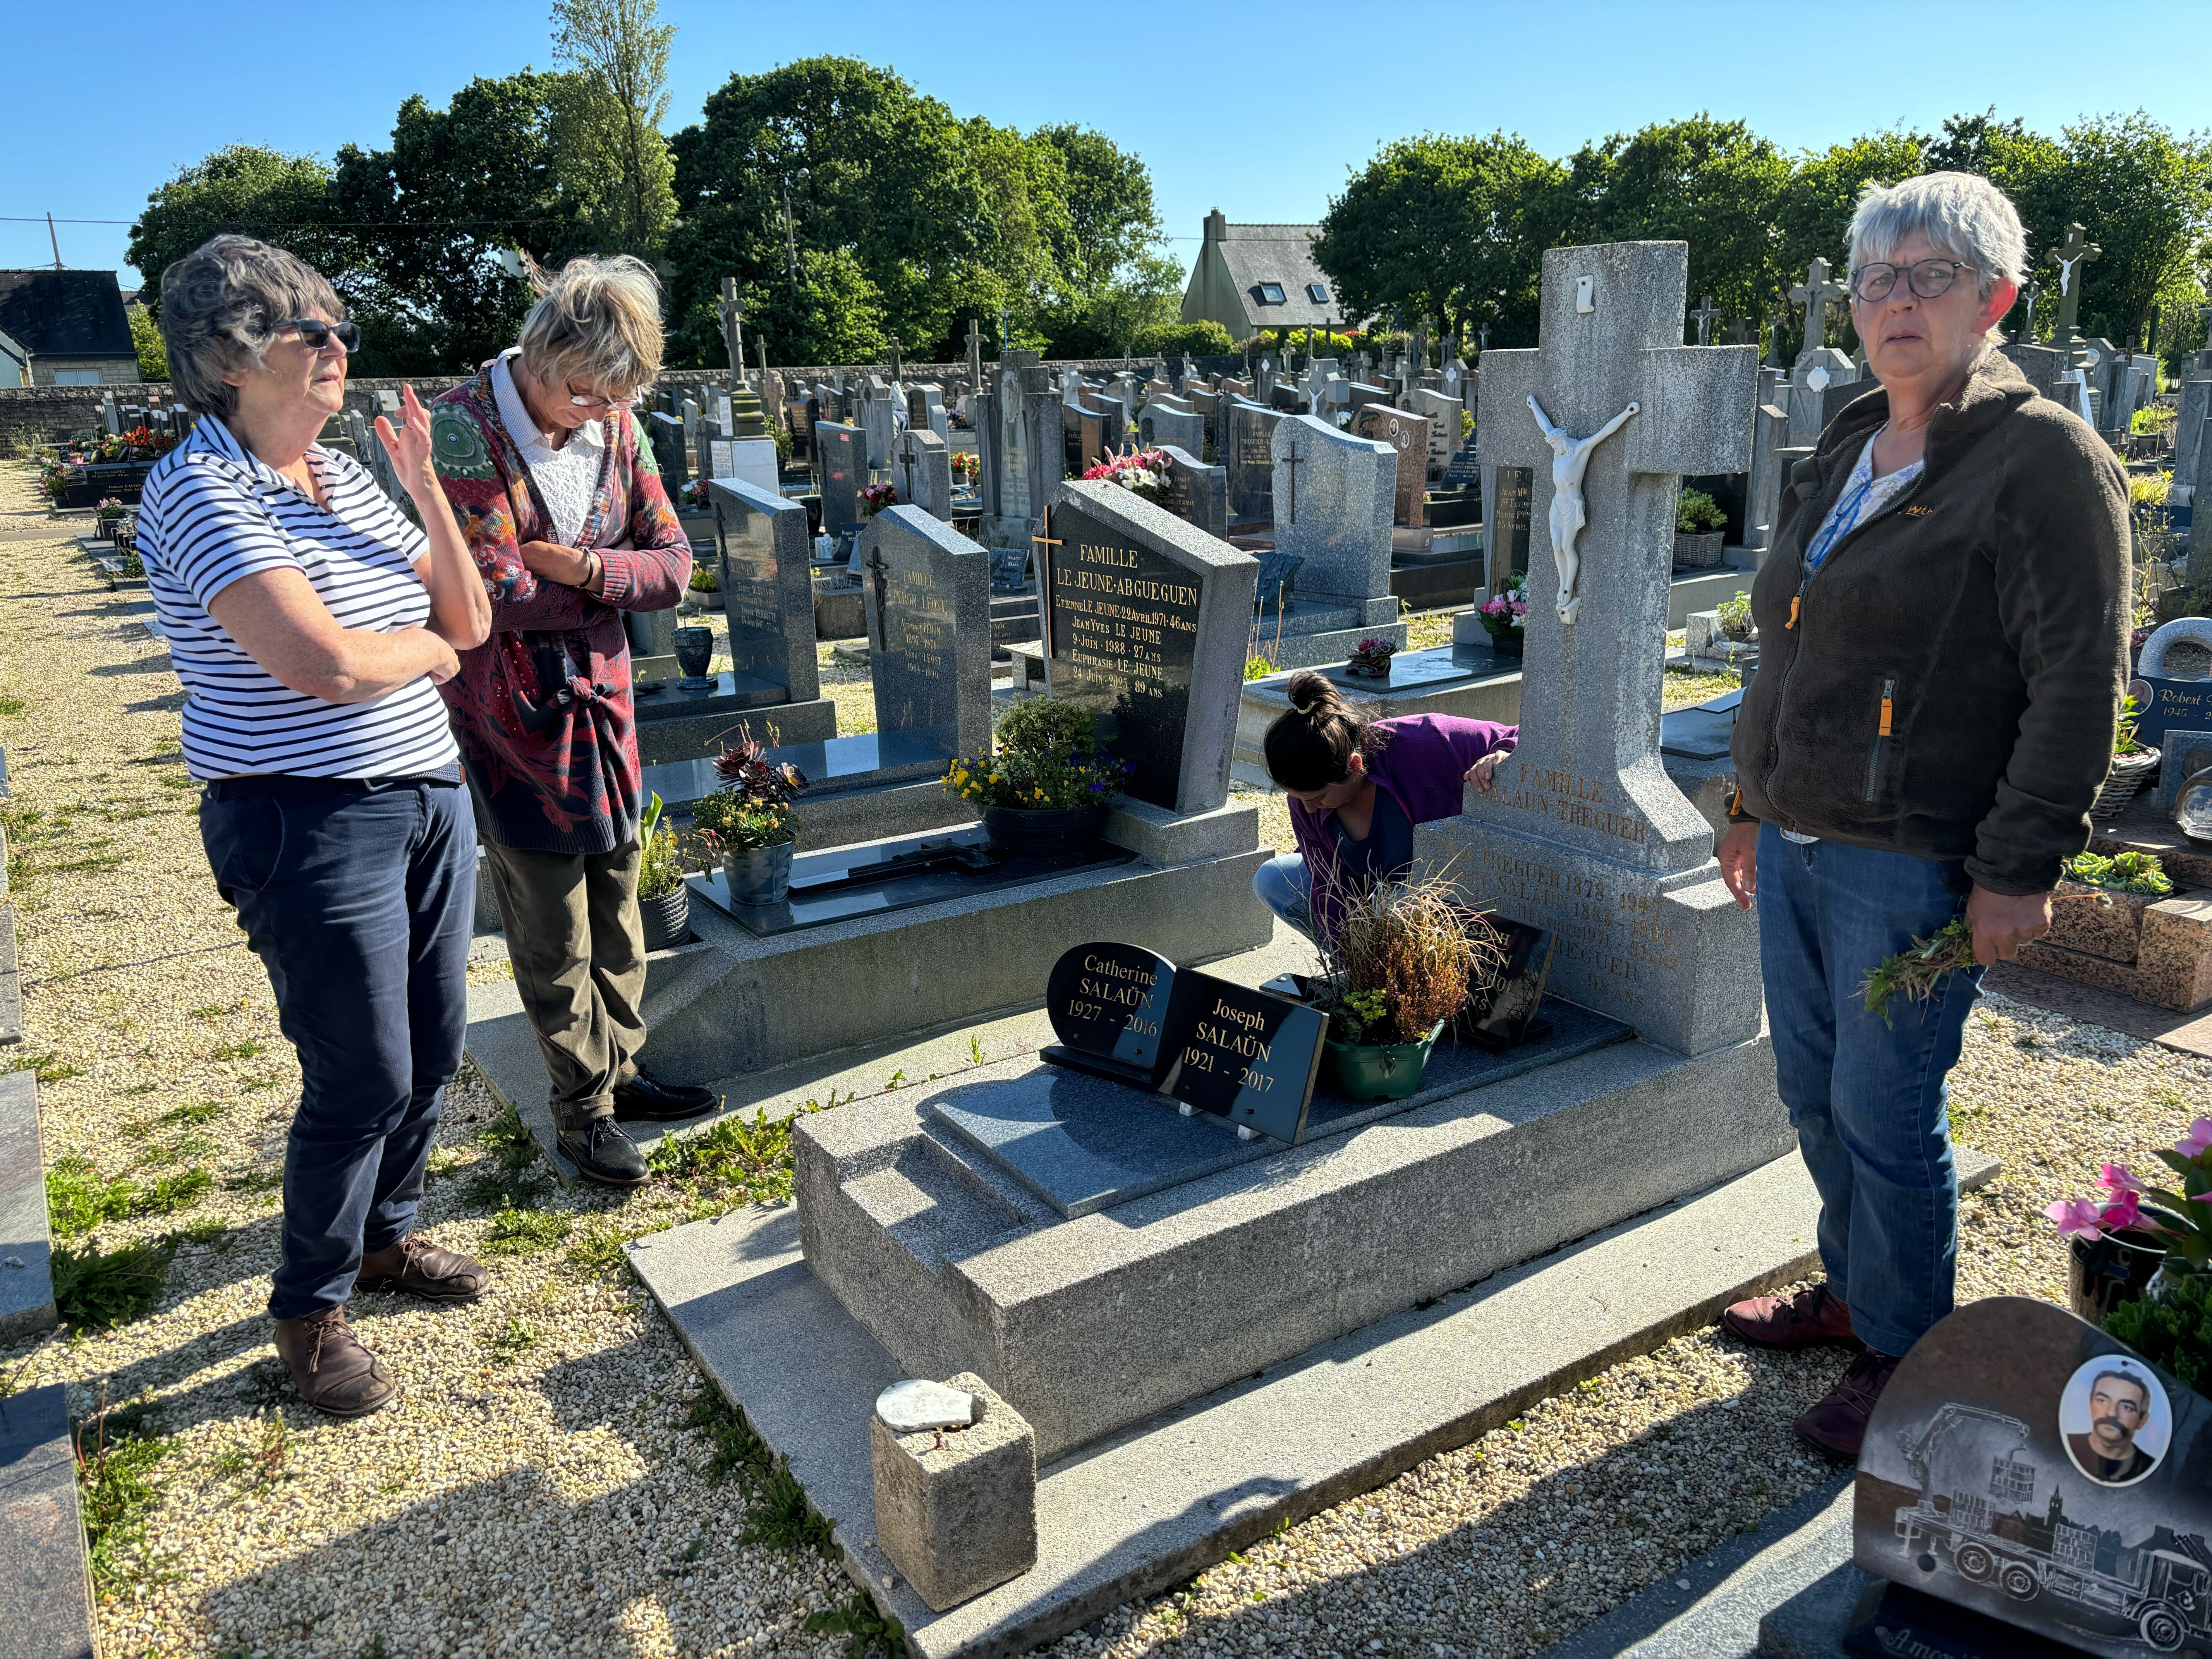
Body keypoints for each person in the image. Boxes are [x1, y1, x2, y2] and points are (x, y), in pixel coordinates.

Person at [1717, 173, 2130, 1456]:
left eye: (1926, 276)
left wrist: (2016, 869)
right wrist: (1746, 796)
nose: (1893, 300)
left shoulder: (2042, 460)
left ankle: (1909, 1355)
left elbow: (2078, 684)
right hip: (1796, 831)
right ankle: (1856, 1291)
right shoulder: (1850, 435)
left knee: (1886, 1111)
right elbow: (1781, 636)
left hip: (1912, 857)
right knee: (1808, 1090)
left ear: (1993, 298)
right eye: (1875, 278)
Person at [139, 235, 494, 1417]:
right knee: (361, 1072)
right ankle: (309, 1309)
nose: (342, 350)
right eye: (315, 333)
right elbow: (324, 665)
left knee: (436, 1044)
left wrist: (426, 484)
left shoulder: (338, 478)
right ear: (231, 359)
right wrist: (425, 654)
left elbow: (473, 617)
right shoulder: (197, 485)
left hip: (425, 796)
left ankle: (386, 1242)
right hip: (305, 817)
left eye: (341, 329)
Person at [431, 255, 718, 1190]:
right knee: (553, 924)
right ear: (543, 351)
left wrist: (587, 572)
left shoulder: (618, 425)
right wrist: (585, 579)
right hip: (516, 719)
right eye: (584, 395)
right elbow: (494, 591)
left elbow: (673, 565)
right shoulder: (463, 430)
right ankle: (581, 1111)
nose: (598, 415)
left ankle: (621, 1070)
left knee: (622, 904)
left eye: (613, 400)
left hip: (607, 702)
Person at [1255, 672, 1516, 942]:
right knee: (1272, 881)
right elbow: (1328, 888)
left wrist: (1502, 753)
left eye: (1317, 797)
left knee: (1395, 907)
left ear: (1354, 766)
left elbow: (1518, 736)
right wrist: (1351, 959)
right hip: (1378, 898)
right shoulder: (1305, 801)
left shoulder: (1427, 741)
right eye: (1299, 798)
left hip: (1448, 893)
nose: (1309, 810)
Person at [2067, 1370, 2157, 1484]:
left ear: (2143, 1420)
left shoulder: (2151, 1471)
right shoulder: (2064, 1445)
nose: (2112, 1413)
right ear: (2091, 1404)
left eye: (2127, 1407)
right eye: (2102, 1401)